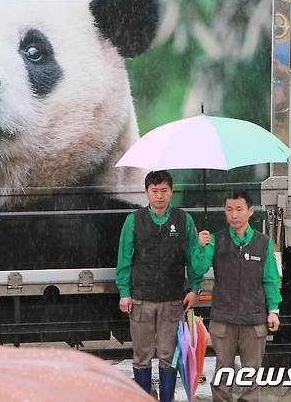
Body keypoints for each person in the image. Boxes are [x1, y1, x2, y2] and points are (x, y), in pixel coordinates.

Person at [116, 170, 203, 402]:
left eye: (164, 191)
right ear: (146, 193)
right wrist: (124, 293)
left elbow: (193, 258)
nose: (159, 196)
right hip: (141, 300)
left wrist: (195, 289)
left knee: (168, 355)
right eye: (154, 191)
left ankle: (166, 398)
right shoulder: (134, 220)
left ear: (171, 192)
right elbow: (124, 260)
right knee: (142, 355)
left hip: (173, 300)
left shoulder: (184, 220)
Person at [193, 190, 282, 402]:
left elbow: (270, 279)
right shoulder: (215, 240)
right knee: (224, 371)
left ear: (250, 211)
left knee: (251, 373)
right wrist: (201, 246)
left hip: (254, 319)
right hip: (224, 319)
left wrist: (273, 311)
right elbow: (198, 269)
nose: (234, 215)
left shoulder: (263, 243)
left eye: (239, 209)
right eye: (229, 209)